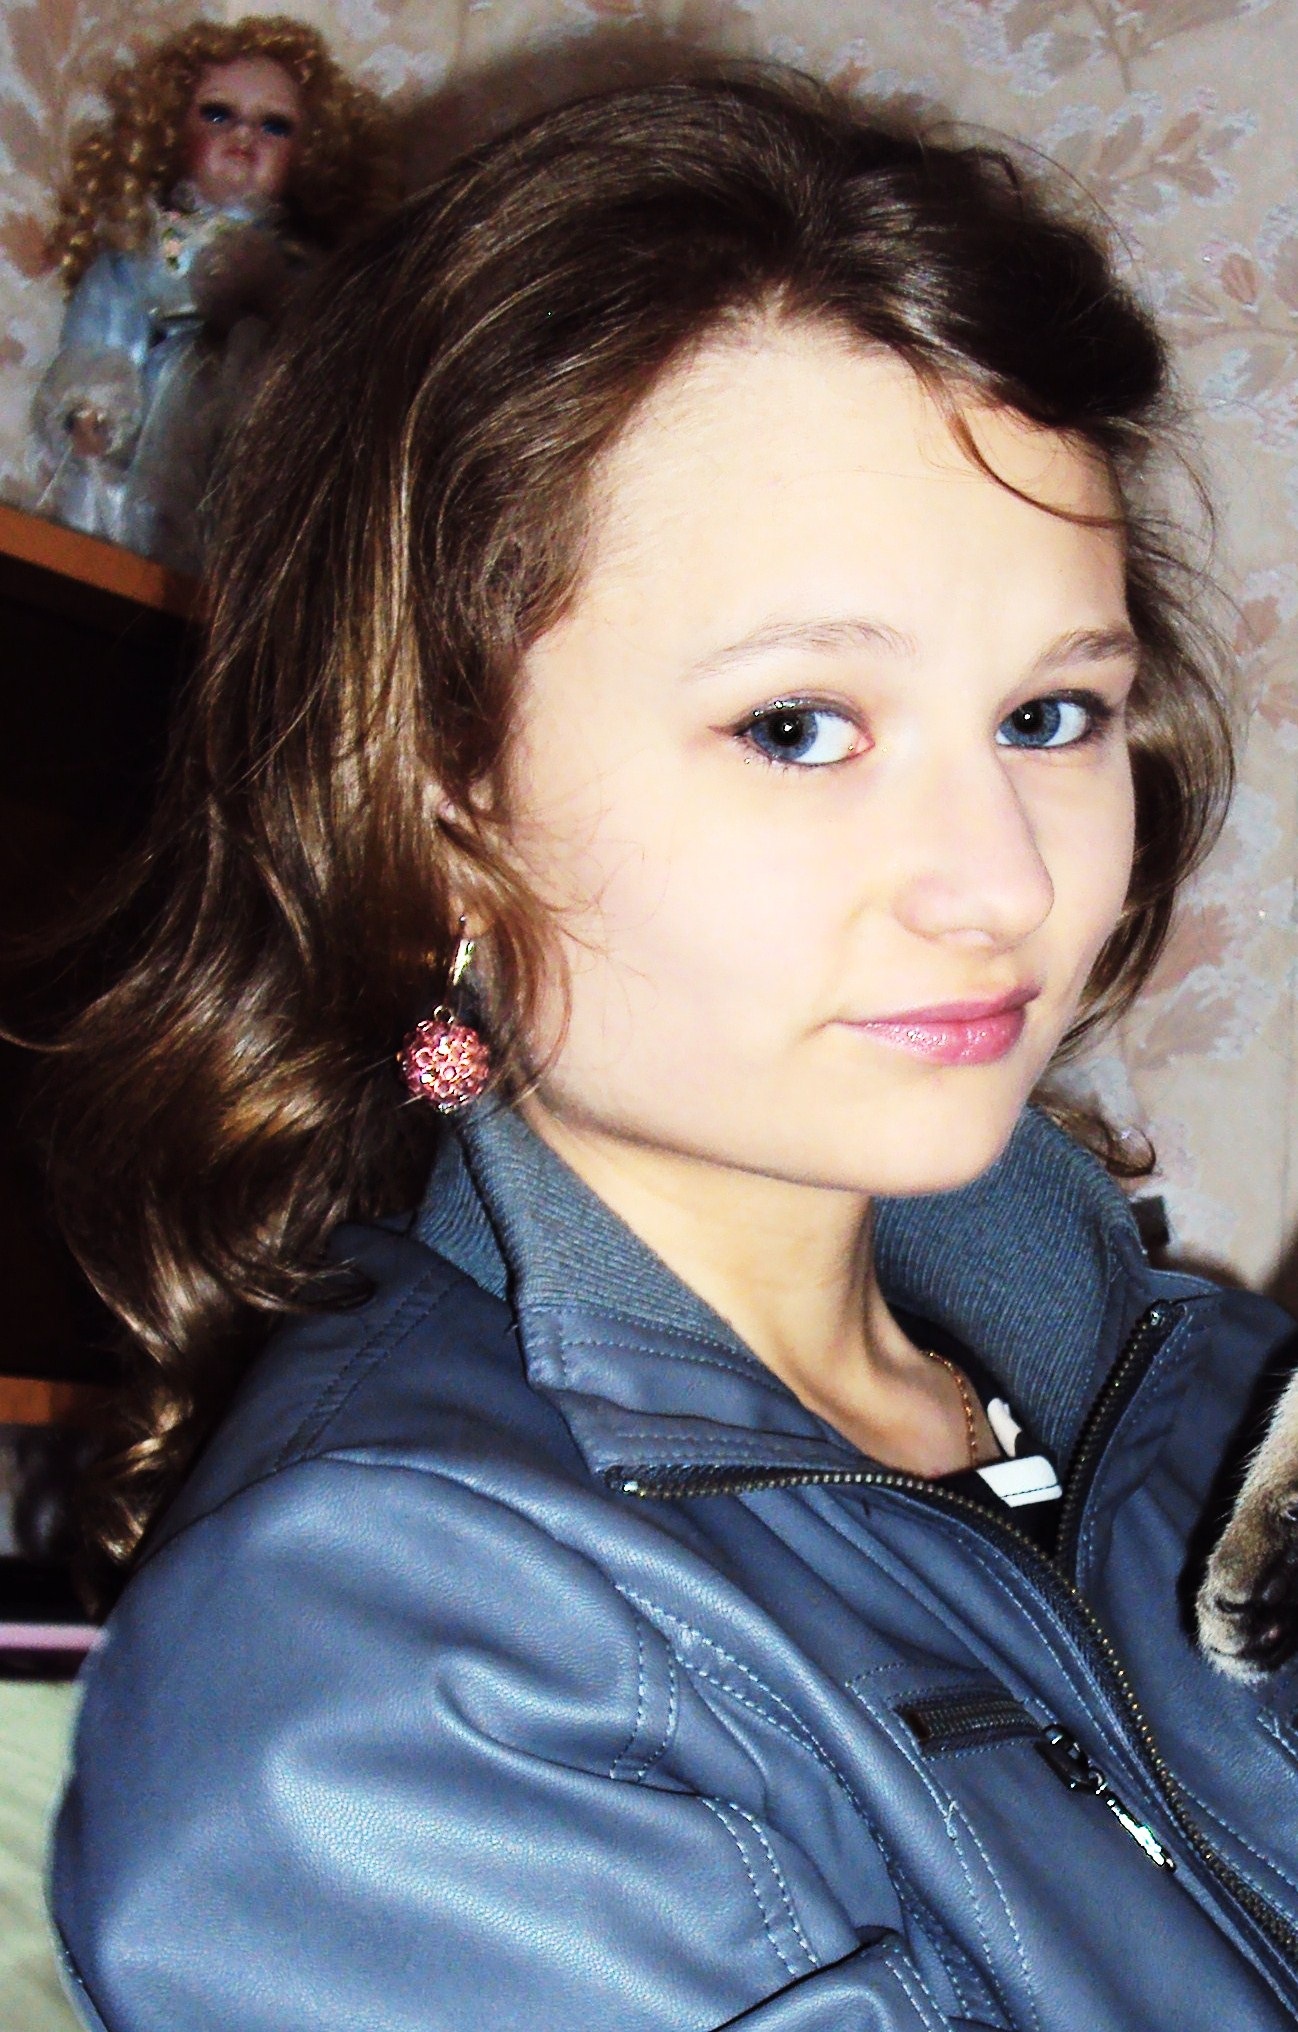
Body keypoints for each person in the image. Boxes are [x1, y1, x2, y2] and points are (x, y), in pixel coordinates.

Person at [40, 68, 1298, 2032]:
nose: (996, 883)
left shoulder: (1197, 1399)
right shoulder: (390, 1680)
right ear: (439, 804)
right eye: (798, 726)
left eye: (1048, 715)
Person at [31, 15, 394, 572]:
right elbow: (107, 319)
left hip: (261, 433)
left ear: (310, 153)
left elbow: (331, 358)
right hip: (161, 424)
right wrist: (94, 405)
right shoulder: (150, 248)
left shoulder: (308, 271)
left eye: (275, 126)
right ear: (169, 130)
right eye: (218, 115)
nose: (244, 138)